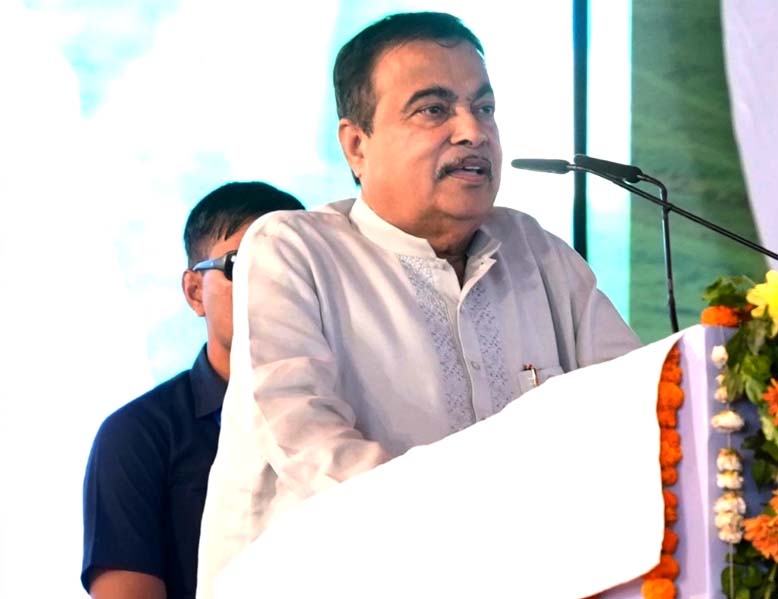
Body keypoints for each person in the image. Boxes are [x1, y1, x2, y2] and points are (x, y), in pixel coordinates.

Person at [197, 12, 641, 596]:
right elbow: (311, 447)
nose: (473, 131)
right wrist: (482, 538)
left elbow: (637, 409)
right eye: (434, 109)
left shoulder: (537, 252)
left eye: (484, 108)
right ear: (357, 146)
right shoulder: (293, 249)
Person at [81, 182, 305, 599]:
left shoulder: (354, 407)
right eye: (242, 265)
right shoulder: (138, 435)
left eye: (294, 265)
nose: (274, 283)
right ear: (195, 292)